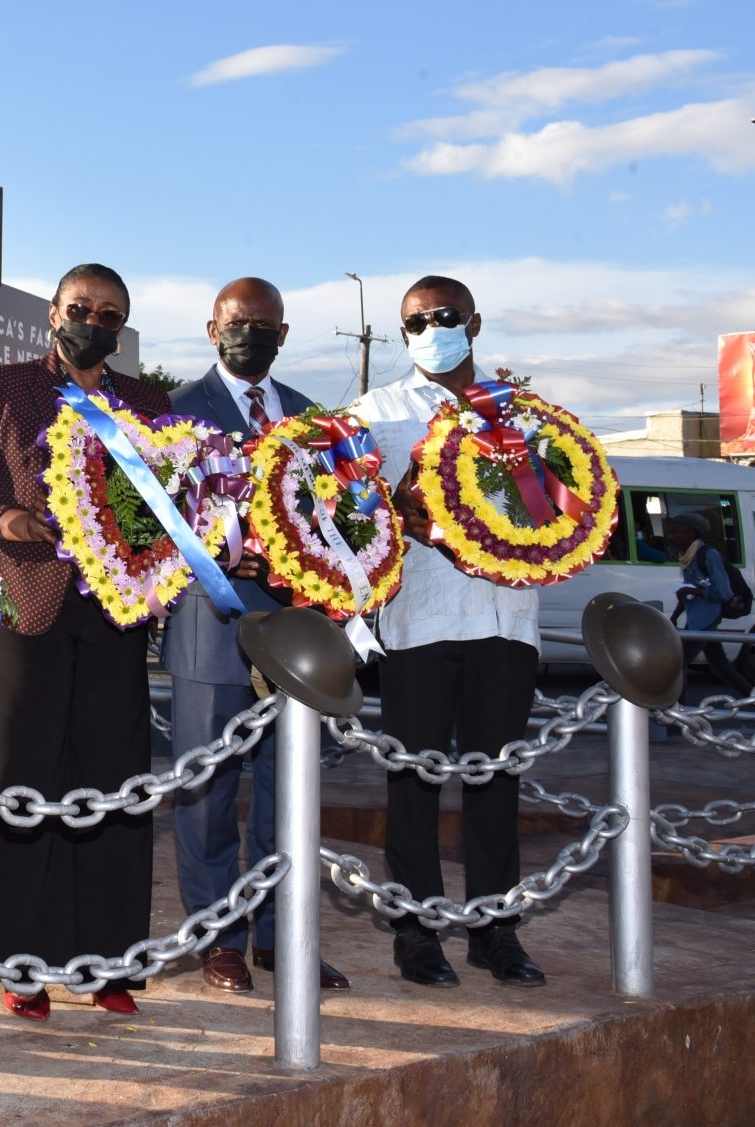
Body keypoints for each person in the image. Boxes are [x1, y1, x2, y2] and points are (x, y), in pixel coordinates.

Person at [0, 263, 168, 1020]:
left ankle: (106, 963)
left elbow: (163, 506)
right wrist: (4, 520)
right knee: (18, 782)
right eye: (81, 308)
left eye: (110, 314)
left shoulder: (146, 403)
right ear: (53, 313)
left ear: (121, 328)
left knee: (111, 788)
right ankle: (16, 962)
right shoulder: (3, 386)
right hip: (26, 608)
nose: (93, 321)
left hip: (114, 615)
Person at [351, 275, 545, 990]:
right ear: (403, 334)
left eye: (445, 316)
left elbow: (557, 503)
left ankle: (497, 934)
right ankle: (416, 933)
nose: (433, 327)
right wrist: (394, 511)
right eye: (418, 321)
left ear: (474, 321)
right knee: (414, 786)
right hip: (419, 623)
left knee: (498, 785)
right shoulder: (375, 412)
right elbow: (350, 519)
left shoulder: (521, 412)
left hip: (507, 620)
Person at [162, 278, 350, 995]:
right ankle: (219, 940)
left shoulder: (311, 419)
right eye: (239, 322)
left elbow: (337, 526)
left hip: (296, 634)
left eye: (265, 325)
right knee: (207, 792)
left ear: (284, 332)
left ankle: (280, 936)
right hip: (209, 631)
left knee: (286, 791)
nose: (251, 334)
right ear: (213, 328)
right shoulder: (176, 413)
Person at [668, 511, 752, 696]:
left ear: (691, 533)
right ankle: (750, 696)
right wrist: (674, 616)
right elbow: (687, 592)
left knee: (677, 665)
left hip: (706, 619)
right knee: (721, 667)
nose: (672, 536)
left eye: (676, 532)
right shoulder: (688, 556)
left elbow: (723, 592)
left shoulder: (708, 554)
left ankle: (676, 713)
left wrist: (691, 591)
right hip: (697, 618)